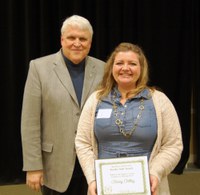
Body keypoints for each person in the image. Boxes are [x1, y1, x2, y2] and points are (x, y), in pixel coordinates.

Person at [75, 42, 183, 195]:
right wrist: (92, 178)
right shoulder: (96, 100)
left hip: (147, 188)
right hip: (104, 188)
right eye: (119, 63)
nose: (125, 68)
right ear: (112, 68)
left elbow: (173, 145)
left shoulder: (160, 101)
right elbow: (83, 142)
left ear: (141, 69)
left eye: (132, 63)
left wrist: (155, 173)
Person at [21, 15, 105, 195]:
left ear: (90, 43)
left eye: (83, 39)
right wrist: (33, 166)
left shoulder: (104, 69)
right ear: (62, 40)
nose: (77, 43)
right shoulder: (39, 68)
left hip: (94, 164)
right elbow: (30, 122)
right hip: (55, 166)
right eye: (71, 38)